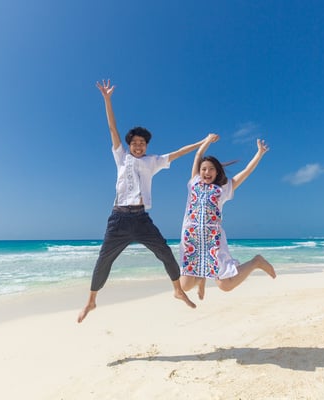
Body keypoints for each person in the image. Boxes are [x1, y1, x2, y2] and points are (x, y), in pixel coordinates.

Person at [77, 79, 208, 323]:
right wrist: (107, 99)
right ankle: (91, 301)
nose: (138, 146)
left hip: (141, 219)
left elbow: (179, 152)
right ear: (129, 145)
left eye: (142, 143)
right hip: (118, 219)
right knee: (104, 260)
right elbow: (113, 129)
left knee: (165, 252)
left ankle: (178, 290)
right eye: (134, 143)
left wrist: (202, 143)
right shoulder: (121, 157)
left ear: (146, 146)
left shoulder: (153, 161)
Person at [179, 133, 276, 300]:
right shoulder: (194, 182)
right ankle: (201, 278)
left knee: (226, 285)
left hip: (213, 241)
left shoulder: (223, 189)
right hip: (192, 239)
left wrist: (259, 153)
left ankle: (256, 261)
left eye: (211, 169)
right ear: (199, 172)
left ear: (217, 172)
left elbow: (246, 172)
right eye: (204, 169)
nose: (207, 172)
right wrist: (207, 141)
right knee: (185, 285)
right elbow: (198, 155)